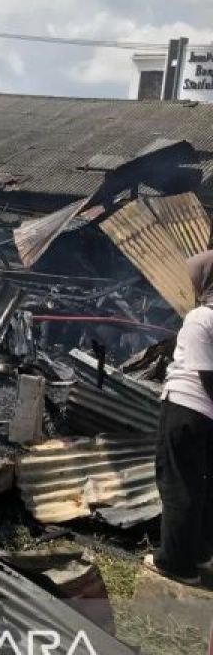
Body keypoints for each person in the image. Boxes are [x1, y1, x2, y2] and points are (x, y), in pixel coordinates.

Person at [145, 251, 213, 587]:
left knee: (177, 485)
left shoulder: (202, 318)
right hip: (206, 417)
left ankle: (176, 563)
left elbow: (206, 375)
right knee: (200, 487)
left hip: (187, 408)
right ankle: (199, 552)